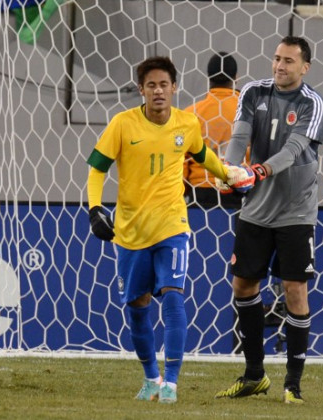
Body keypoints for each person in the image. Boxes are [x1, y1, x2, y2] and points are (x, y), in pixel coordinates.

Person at [86, 56, 249, 404]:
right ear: (142, 90)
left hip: (173, 224)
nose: (158, 91)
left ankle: (171, 384)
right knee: (137, 307)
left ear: (174, 87)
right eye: (151, 85)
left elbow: (203, 155)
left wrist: (228, 174)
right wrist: (95, 208)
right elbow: (97, 168)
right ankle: (151, 378)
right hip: (130, 230)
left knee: (174, 296)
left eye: (164, 84)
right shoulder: (122, 125)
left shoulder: (187, 123)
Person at [213, 36, 323, 404]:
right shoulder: (252, 92)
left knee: (295, 290)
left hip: (296, 209)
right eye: (277, 58)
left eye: (289, 61)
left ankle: (292, 384)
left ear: (305, 67)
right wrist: (230, 169)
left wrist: (256, 171)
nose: (279, 66)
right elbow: (239, 136)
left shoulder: (312, 103)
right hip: (257, 209)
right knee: (243, 286)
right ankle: (254, 374)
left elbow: (294, 151)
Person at [184, 52, 244, 209]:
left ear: (209, 77)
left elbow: (180, 163)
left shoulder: (190, 114)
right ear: (236, 77)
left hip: (201, 194)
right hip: (240, 191)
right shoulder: (249, 112)